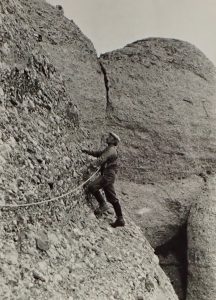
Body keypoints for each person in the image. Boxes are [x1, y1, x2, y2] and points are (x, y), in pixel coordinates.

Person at [81, 132, 125, 228]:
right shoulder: (109, 149)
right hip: (109, 175)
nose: (107, 137)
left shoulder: (111, 150)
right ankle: (120, 219)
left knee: (92, 186)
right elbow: (99, 154)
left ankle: (103, 204)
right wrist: (87, 151)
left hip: (108, 175)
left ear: (113, 141)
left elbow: (101, 159)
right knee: (112, 197)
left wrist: (89, 166)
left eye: (110, 137)